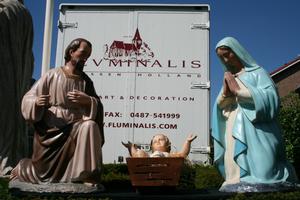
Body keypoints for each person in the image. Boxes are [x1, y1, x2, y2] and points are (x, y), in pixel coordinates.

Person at [10, 38, 105, 186]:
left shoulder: (86, 81)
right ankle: (25, 168)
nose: (85, 58)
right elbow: (29, 96)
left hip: (76, 124)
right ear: (71, 52)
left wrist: (89, 101)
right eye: (83, 53)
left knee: (90, 126)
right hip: (52, 125)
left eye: (88, 55)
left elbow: (98, 105)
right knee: (42, 171)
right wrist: (36, 102)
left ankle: (85, 175)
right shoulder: (52, 75)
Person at [212, 37, 298, 192]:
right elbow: (220, 106)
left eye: (227, 54)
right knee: (234, 158)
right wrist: (225, 94)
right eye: (221, 57)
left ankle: (262, 181)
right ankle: (236, 180)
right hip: (234, 123)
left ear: (237, 51)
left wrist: (239, 91)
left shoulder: (257, 73)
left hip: (256, 126)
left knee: (263, 164)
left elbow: (271, 97)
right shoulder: (230, 76)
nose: (225, 59)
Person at [0, 0, 34, 177]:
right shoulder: (25, 13)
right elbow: (30, 55)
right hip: (19, 80)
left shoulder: (5, 8)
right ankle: (13, 162)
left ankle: (5, 162)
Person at [122, 133, 197, 158]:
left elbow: (182, 154)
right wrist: (131, 147)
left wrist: (188, 142)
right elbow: (135, 154)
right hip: (149, 169)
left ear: (168, 145)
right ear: (151, 147)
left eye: (161, 140)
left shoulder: (170, 155)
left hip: (166, 171)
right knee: (140, 153)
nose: (157, 142)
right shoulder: (149, 155)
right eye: (154, 141)